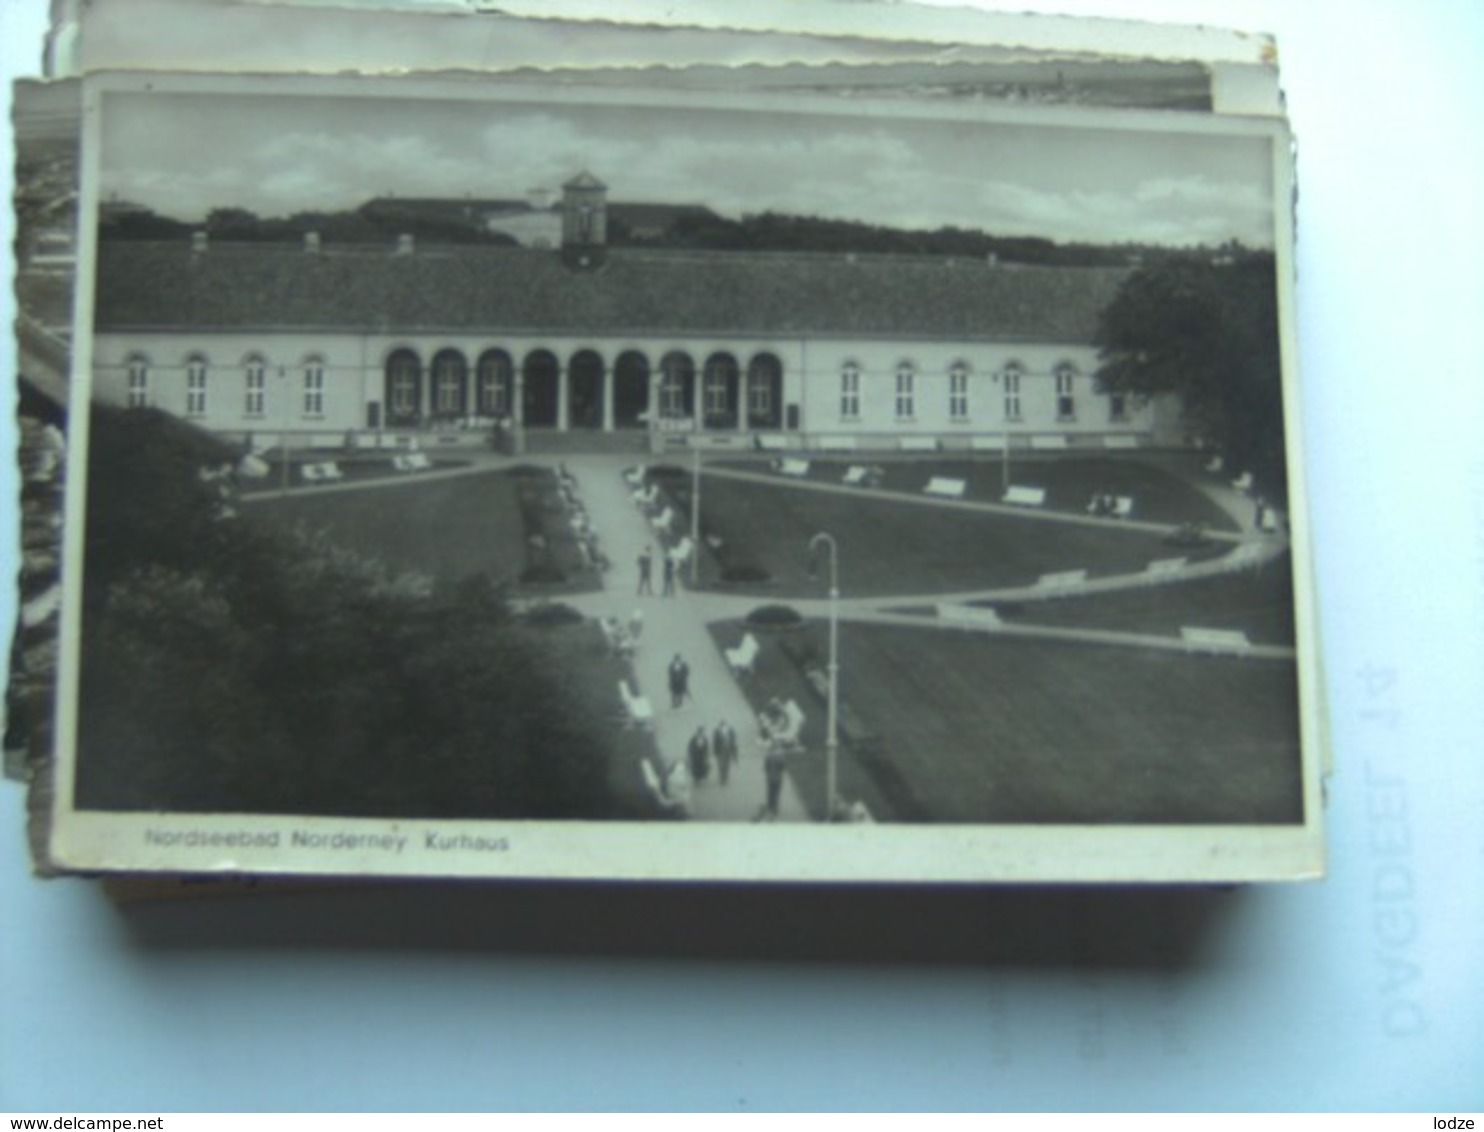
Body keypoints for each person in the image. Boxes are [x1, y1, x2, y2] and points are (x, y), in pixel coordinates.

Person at [713, 719, 738, 786]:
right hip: (720, 751)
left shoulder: (731, 731)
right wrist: (715, 752)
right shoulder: (717, 732)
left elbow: (733, 742)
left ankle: (725, 776)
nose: (723, 727)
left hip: (728, 750)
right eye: (722, 726)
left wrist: (734, 752)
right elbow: (715, 742)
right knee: (721, 765)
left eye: (724, 726)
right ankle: (722, 778)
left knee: (727, 765)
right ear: (720, 726)